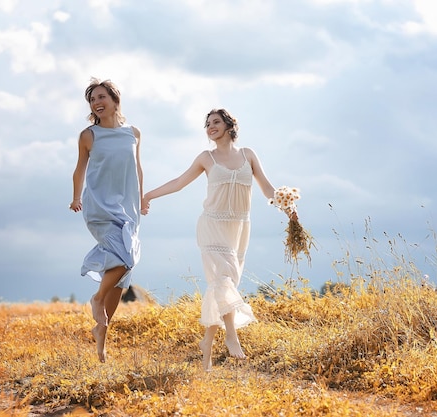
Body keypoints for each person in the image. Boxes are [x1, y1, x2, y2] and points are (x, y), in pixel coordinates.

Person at [142, 108, 295, 371]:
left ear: (229, 125)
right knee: (223, 279)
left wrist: (287, 206)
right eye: (208, 124)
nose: (210, 127)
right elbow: (179, 182)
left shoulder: (248, 155)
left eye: (216, 122)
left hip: (239, 228)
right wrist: (148, 196)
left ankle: (207, 344)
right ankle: (231, 335)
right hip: (212, 224)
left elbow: (267, 188)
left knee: (224, 286)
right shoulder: (206, 157)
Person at [69, 78, 144, 363]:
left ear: (115, 100)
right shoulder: (89, 135)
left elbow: (137, 168)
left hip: (128, 208)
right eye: (92, 100)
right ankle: (97, 298)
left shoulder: (133, 133)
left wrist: (142, 198)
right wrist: (76, 197)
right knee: (125, 258)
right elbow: (79, 170)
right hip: (98, 206)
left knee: (122, 277)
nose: (97, 103)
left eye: (102, 97)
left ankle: (101, 335)